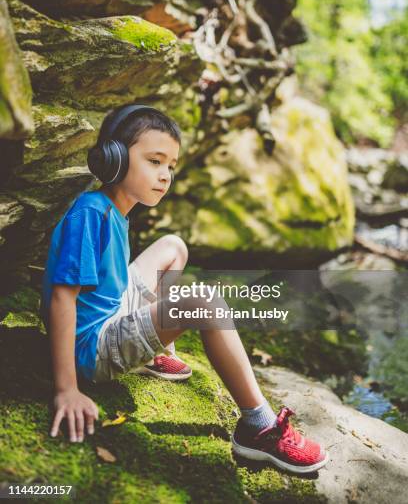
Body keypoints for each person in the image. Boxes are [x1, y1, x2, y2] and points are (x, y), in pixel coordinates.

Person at [41, 103, 329, 474]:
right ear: (112, 159)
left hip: (111, 313)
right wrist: (67, 388)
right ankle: (258, 428)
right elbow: (62, 299)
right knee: (204, 302)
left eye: (171, 166)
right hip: (92, 348)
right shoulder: (90, 213)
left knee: (173, 245)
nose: (165, 176)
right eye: (155, 161)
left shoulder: (113, 210)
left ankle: (158, 351)